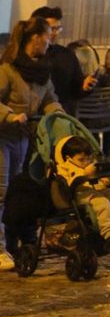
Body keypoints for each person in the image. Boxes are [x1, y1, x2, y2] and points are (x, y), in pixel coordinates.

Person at [52, 128, 110, 246]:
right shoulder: (65, 168)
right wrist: (84, 174)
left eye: (88, 158)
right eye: (81, 159)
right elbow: (69, 183)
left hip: (99, 190)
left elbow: (103, 182)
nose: (85, 162)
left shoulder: (91, 165)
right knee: (103, 204)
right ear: (68, 158)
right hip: (81, 195)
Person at [1, 22, 57, 198]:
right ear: (36, 38)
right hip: (3, 137)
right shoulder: (8, 70)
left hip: (23, 138)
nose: (50, 42)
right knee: (1, 190)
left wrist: (57, 113)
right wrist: (10, 116)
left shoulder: (41, 72)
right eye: (47, 36)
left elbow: (49, 98)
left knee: (13, 189)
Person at [29, 8, 85, 113]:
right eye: (51, 29)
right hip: (31, 117)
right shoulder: (24, 58)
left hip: (62, 115)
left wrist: (85, 87)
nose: (55, 33)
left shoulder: (67, 55)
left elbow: (76, 90)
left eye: (58, 28)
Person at [74, 48, 110, 159]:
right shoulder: (102, 76)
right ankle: (105, 152)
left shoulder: (77, 78)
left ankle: (96, 153)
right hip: (104, 119)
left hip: (82, 119)